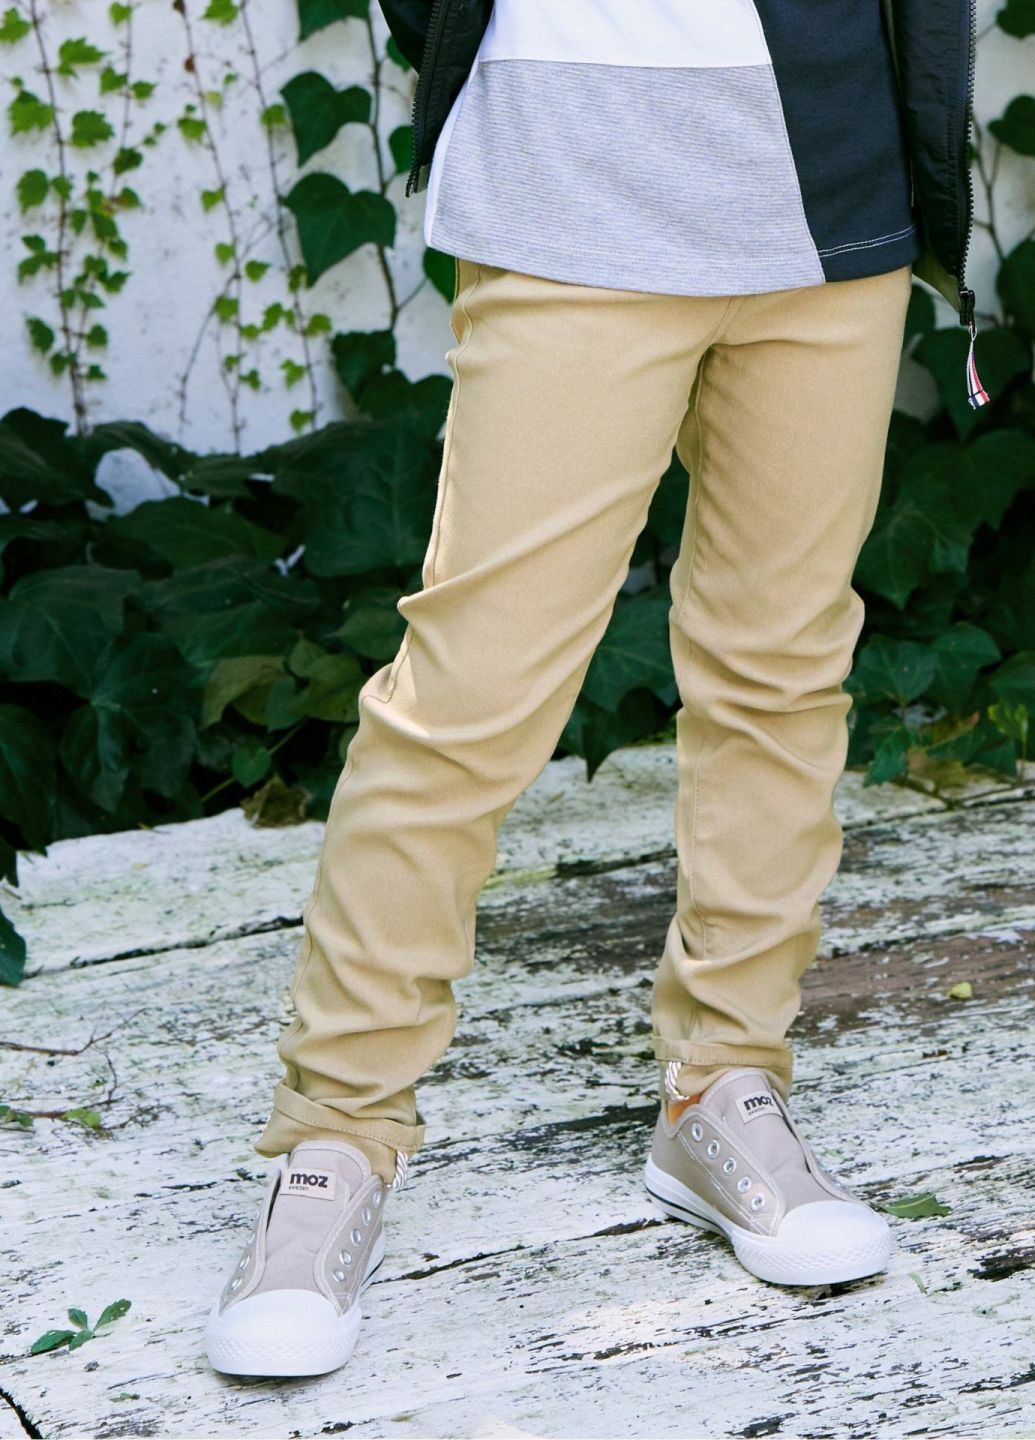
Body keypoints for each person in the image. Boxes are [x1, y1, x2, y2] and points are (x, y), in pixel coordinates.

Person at [204, 0, 986, 1378]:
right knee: (471, 693)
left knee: (782, 666)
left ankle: (722, 1086)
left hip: (828, 178)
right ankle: (334, 1140)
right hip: (569, 177)